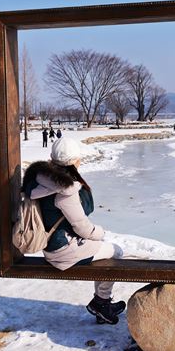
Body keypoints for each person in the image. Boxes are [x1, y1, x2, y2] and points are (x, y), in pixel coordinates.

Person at [22, 137, 125, 324]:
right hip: (64, 252)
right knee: (116, 252)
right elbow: (82, 227)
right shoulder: (66, 189)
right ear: (75, 161)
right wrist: (101, 233)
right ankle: (101, 303)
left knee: (101, 249)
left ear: (51, 159)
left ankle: (102, 303)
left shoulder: (42, 181)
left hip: (50, 247)